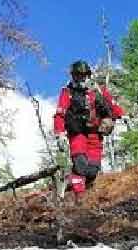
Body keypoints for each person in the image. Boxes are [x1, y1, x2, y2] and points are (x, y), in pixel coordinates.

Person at [53, 60, 124, 199]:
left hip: (95, 134)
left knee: (92, 169)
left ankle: (73, 185)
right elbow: (60, 114)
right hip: (77, 133)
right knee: (80, 163)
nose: (80, 78)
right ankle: (79, 198)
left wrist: (120, 115)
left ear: (88, 75)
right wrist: (60, 134)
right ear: (73, 76)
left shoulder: (97, 90)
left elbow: (111, 104)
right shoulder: (67, 92)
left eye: (83, 75)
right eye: (77, 75)